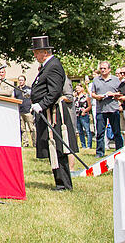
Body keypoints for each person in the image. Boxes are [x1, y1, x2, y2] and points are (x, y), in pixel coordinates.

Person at [29, 36, 77, 191]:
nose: (35, 55)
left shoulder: (53, 66)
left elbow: (55, 91)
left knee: (58, 147)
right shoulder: (46, 66)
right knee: (53, 147)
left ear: (44, 52)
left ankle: (64, 184)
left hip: (54, 113)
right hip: (47, 111)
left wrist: (41, 105)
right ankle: (59, 182)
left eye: (36, 52)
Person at [90, 61, 122, 156]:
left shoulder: (116, 80)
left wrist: (113, 94)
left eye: (104, 68)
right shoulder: (96, 80)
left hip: (113, 109)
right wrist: (97, 97)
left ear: (109, 69)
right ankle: (99, 152)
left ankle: (119, 151)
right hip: (101, 110)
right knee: (100, 133)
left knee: (116, 132)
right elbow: (92, 93)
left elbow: (121, 93)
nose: (103, 70)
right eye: (101, 68)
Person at [13, 75, 36, 148]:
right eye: (19, 80)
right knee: (23, 129)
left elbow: (33, 98)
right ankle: (25, 143)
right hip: (20, 111)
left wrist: (32, 107)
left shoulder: (28, 89)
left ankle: (35, 143)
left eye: (22, 80)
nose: (20, 81)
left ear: (24, 81)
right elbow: (14, 98)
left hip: (28, 111)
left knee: (32, 128)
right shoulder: (16, 89)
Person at [74, 84, 93, 149]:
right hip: (77, 115)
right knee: (80, 131)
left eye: (79, 88)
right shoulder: (75, 97)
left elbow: (90, 106)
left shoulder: (86, 96)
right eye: (76, 88)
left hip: (84, 115)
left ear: (82, 88)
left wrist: (84, 111)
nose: (77, 90)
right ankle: (83, 145)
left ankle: (89, 145)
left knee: (87, 130)